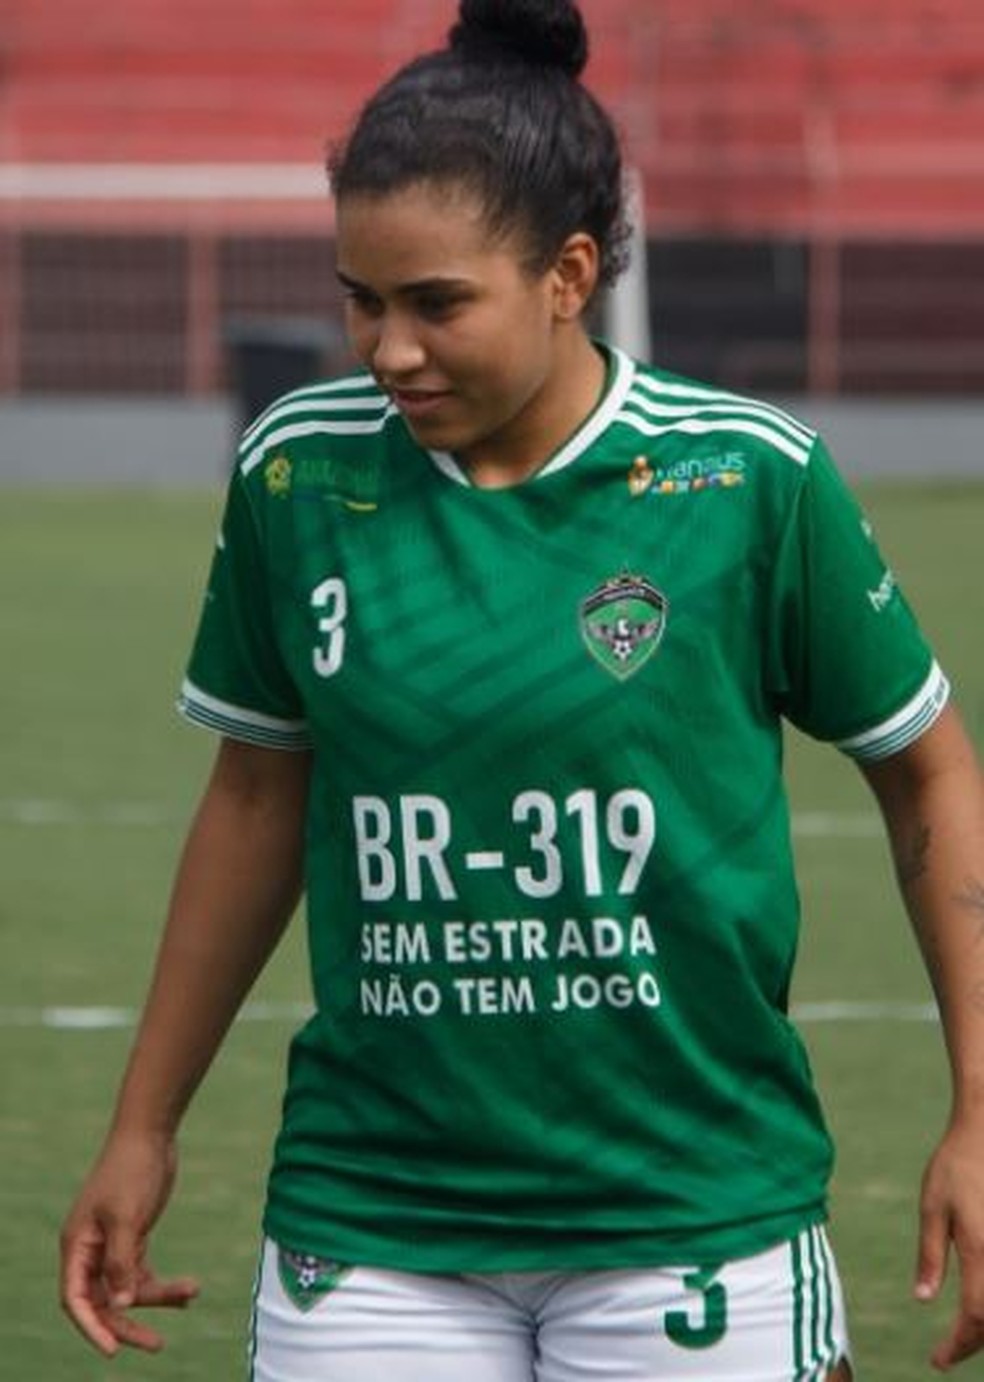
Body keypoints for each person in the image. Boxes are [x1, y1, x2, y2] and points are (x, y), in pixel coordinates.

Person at [59, 1, 984, 1377]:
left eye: (438, 303)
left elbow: (928, 773)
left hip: (694, 1208)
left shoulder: (746, 475)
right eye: (362, 300)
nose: (389, 351)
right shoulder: (298, 470)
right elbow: (256, 793)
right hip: (372, 1214)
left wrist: (980, 1109)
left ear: (566, 274)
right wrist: (143, 1126)